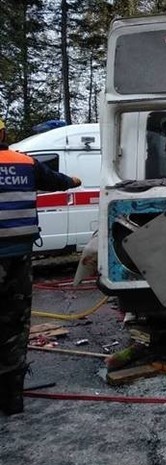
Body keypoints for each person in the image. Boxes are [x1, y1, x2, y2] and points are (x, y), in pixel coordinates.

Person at [1, 118, 82, 415]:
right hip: (18, 258)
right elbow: (59, 181)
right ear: (3, 133)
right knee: (14, 325)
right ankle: (12, 399)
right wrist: (75, 180)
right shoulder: (24, 163)